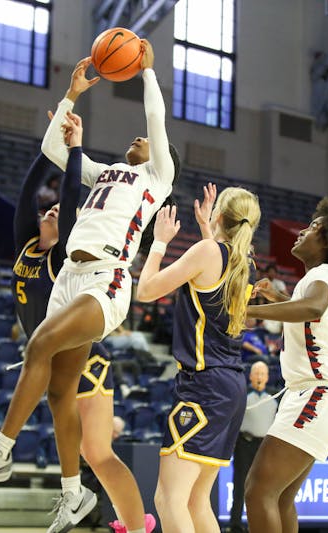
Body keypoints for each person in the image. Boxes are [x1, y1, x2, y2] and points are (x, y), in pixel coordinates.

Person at [0, 45, 176, 532]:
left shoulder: (156, 177)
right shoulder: (105, 174)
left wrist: (148, 69)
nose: (139, 137)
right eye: (136, 137)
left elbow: (155, 115)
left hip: (106, 277)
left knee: (40, 343)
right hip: (69, 277)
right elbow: (55, 150)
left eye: (146, 139)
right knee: (59, 394)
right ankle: (74, 494)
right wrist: (72, 95)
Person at [242, 198, 328, 533]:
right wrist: (277, 298)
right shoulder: (320, 278)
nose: (303, 230)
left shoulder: (325, 274)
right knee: (281, 498)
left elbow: (313, 308)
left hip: (318, 393)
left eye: (314, 227)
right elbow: (310, 310)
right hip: (323, 395)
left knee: (258, 491)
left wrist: (251, 312)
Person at [135, 184, 260, 533]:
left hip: (203, 386)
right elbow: (213, 276)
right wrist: (209, 228)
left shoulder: (208, 252)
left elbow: (145, 291)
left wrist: (160, 241)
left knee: (168, 499)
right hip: (230, 387)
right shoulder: (244, 262)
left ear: (220, 215)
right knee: (195, 500)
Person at [229, 362, 277, 533]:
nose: (259, 376)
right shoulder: (243, 396)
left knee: (264, 487)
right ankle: (235, 525)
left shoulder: (273, 398)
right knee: (240, 485)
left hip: (264, 447)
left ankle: (258, 525)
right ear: (250, 376)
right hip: (244, 444)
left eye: (262, 373)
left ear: (267, 377)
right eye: (256, 373)